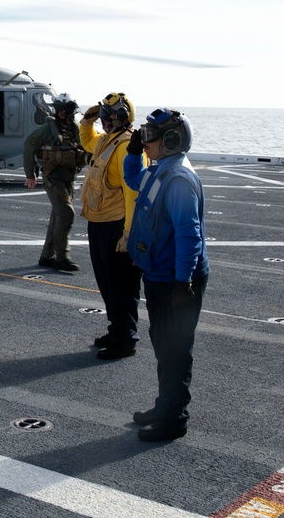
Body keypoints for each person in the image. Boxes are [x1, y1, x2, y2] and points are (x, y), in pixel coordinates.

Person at [124, 108, 209, 441]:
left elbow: (190, 234)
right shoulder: (161, 171)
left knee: (175, 350)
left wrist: (183, 280)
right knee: (164, 345)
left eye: (149, 139)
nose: (145, 144)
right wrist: (133, 154)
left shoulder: (178, 180)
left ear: (171, 141)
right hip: (161, 276)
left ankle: (174, 419)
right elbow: (134, 180)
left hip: (176, 280)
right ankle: (165, 406)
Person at [79, 92, 145, 360]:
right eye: (103, 117)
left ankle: (126, 339)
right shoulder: (108, 141)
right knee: (107, 283)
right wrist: (86, 121)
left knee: (121, 286)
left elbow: (133, 194)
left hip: (117, 226)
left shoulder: (127, 147)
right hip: (100, 222)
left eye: (108, 117)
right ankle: (117, 329)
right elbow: (87, 142)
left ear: (121, 118)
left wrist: (128, 234)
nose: (104, 122)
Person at [23, 93, 86, 271]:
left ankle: (46, 256)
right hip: (53, 178)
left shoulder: (74, 129)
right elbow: (29, 146)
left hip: (69, 178)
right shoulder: (46, 130)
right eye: (64, 111)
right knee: (66, 214)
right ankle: (62, 257)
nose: (66, 115)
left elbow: (86, 146)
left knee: (58, 216)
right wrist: (30, 174)